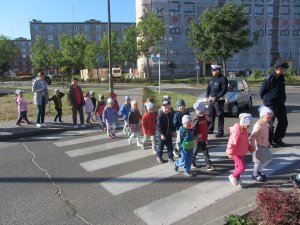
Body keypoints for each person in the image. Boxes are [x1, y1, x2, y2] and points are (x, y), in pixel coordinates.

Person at [260, 61, 289, 147]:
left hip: (280, 104)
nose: (284, 70)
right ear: (278, 69)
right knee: (270, 124)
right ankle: (268, 142)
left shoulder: (282, 77)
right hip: (271, 105)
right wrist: (267, 101)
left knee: (284, 122)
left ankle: (278, 139)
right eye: (283, 69)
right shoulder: (270, 78)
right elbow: (262, 91)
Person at [226, 113, 253, 186]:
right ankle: (233, 176)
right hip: (235, 152)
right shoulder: (237, 130)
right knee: (242, 167)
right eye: (248, 124)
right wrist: (229, 152)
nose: (249, 126)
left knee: (237, 167)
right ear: (243, 123)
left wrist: (249, 146)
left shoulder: (244, 129)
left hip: (241, 152)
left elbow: (246, 140)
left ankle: (237, 180)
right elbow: (232, 141)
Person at [250, 106, 274, 182]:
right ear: (262, 116)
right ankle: (254, 174)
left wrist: (268, 142)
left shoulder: (265, 123)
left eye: (270, 117)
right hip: (258, 146)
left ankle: (259, 171)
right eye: (268, 117)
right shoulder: (258, 125)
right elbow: (252, 137)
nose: (270, 119)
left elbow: (265, 135)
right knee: (258, 161)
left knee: (269, 158)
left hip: (264, 145)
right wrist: (253, 145)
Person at [206, 65, 228, 137]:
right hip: (211, 100)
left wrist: (217, 97)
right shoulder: (212, 78)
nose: (212, 72)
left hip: (218, 101)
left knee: (220, 116)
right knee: (211, 115)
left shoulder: (223, 78)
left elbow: (224, 90)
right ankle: (210, 129)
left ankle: (220, 132)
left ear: (217, 70)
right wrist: (207, 96)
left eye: (213, 70)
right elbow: (208, 87)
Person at [192, 102, 215, 171]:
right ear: (201, 111)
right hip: (198, 140)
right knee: (195, 152)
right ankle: (191, 161)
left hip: (203, 138)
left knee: (205, 152)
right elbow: (192, 129)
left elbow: (208, 123)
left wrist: (209, 120)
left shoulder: (204, 116)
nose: (205, 111)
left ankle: (209, 164)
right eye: (205, 109)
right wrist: (196, 136)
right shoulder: (197, 119)